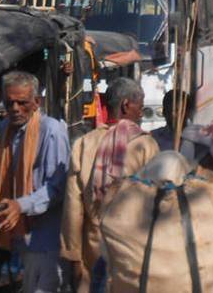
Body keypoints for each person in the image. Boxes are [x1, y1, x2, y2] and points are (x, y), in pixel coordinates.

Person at [62, 78, 157, 293]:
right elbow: (155, 205)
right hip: (133, 251)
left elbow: (72, 206)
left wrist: (73, 256)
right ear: (126, 105)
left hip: (92, 249)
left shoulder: (84, 143)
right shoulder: (145, 145)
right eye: (140, 107)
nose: (141, 113)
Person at [0, 71, 69, 293]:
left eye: (22, 102)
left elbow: (56, 187)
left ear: (36, 102)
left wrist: (20, 205)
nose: (14, 108)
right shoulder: (7, 130)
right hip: (21, 238)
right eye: (9, 102)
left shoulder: (51, 130)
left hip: (47, 239)